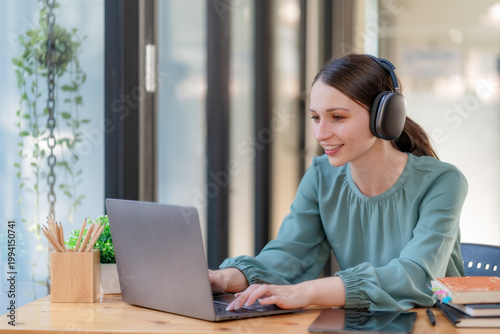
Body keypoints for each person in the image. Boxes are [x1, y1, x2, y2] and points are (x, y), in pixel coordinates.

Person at [209, 54, 468, 312]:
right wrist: (225, 278)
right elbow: (291, 255)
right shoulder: (322, 176)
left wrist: (308, 291)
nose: (321, 134)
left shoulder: (443, 181)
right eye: (315, 118)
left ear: (385, 117)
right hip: (362, 324)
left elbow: (417, 276)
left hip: (436, 323)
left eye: (338, 118)